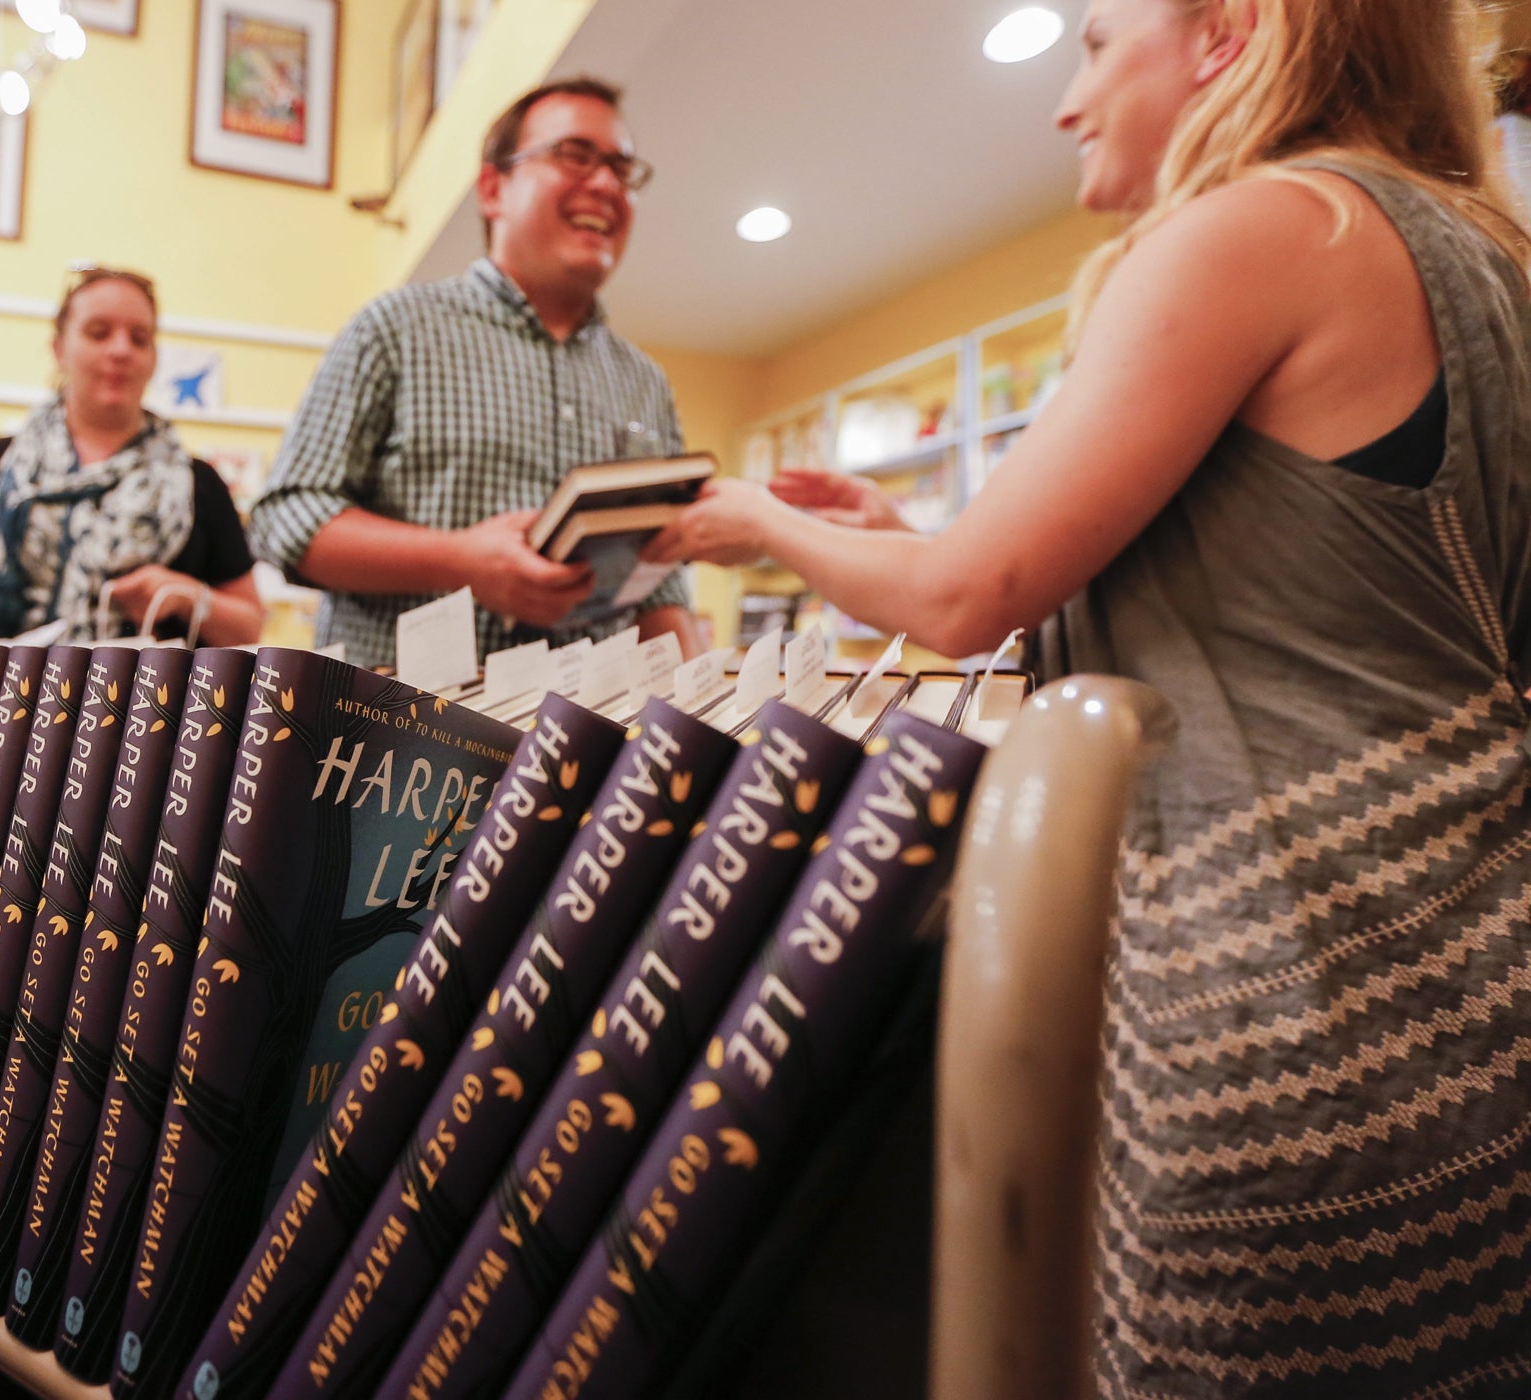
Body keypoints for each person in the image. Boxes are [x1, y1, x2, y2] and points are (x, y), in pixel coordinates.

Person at [648, 1, 1531, 1393]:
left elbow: (961, 597)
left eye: (1098, 41)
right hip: (1473, 988)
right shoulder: (1472, 249)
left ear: (1232, 31)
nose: (1069, 99)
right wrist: (897, 521)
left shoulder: (1261, 228)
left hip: (1292, 1003)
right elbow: (1296, 588)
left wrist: (761, 518)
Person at [248, 77, 698, 670]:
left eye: (621, 166)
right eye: (575, 155)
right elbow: (287, 517)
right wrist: (462, 560)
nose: (606, 183)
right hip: (398, 745)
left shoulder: (646, 381)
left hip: (585, 748)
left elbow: (659, 583)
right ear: (492, 189)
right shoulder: (395, 328)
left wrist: (709, 714)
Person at [0, 266, 263, 647]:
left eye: (139, 338)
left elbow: (248, 627)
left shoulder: (198, 484)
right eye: (98, 333)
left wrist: (186, 596)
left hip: (149, 703)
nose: (120, 350)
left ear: (154, 358)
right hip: (2, 698)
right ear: (58, 347)